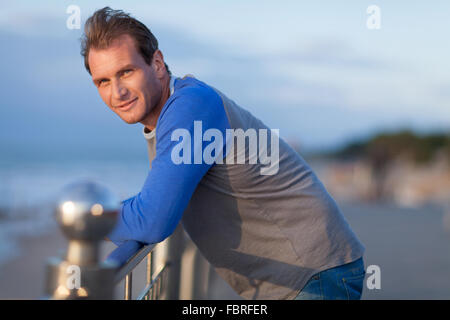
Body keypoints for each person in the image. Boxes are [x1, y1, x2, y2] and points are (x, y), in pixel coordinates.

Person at [81, 7, 366, 300]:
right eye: (103, 81)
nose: (117, 92)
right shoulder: (172, 115)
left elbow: (154, 219)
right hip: (296, 278)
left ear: (156, 64)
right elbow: (157, 202)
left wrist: (87, 220)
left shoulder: (189, 108)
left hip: (312, 275)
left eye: (126, 72)